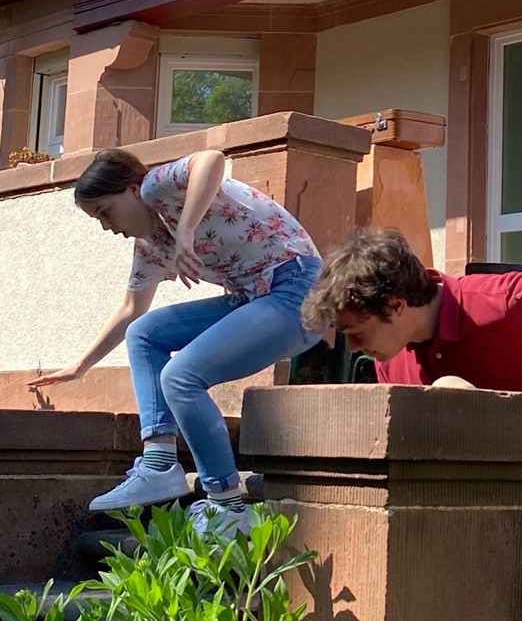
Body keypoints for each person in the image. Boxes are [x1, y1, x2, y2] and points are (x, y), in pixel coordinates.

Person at [28, 148, 323, 536]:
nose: (106, 227)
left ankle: (226, 506)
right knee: (144, 333)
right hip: (254, 298)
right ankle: (159, 463)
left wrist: (186, 228)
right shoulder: (152, 245)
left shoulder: (156, 187)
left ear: (132, 189)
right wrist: (81, 366)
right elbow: (131, 309)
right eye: (98, 220)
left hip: (300, 290)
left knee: (181, 376)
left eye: (105, 212)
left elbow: (211, 159)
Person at [301, 228, 522, 400]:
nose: (352, 348)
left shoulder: (505, 302)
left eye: (356, 333)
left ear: (395, 304)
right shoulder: (388, 357)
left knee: (449, 391)